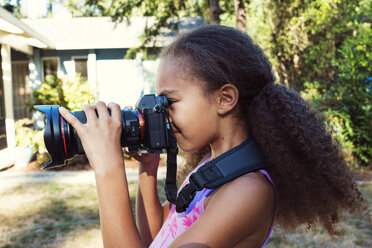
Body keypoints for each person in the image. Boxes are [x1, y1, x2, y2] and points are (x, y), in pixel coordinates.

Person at [59, 25, 367, 247]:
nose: (162, 112)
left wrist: (109, 171)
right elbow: (158, 237)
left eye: (171, 101)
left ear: (224, 99)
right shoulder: (212, 167)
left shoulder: (248, 190)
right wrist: (148, 169)